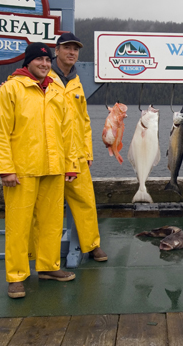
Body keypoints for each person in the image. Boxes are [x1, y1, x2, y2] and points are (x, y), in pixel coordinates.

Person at [0, 43, 78, 299]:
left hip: (53, 168)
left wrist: (70, 164)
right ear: (27, 62)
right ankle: (16, 276)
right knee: (18, 226)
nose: (45, 64)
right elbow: (0, 132)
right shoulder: (10, 90)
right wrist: (5, 169)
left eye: (48, 60)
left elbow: (67, 132)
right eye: (39, 60)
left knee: (51, 224)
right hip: (22, 170)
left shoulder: (56, 91)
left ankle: (48, 267)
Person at [49, 32, 107, 262]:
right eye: (67, 48)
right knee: (50, 207)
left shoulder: (76, 83)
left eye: (75, 49)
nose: (72, 53)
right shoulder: (44, 77)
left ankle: (92, 245)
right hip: (52, 154)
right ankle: (48, 253)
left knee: (86, 201)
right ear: (57, 51)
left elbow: (83, 121)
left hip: (78, 156)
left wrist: (88, 151)